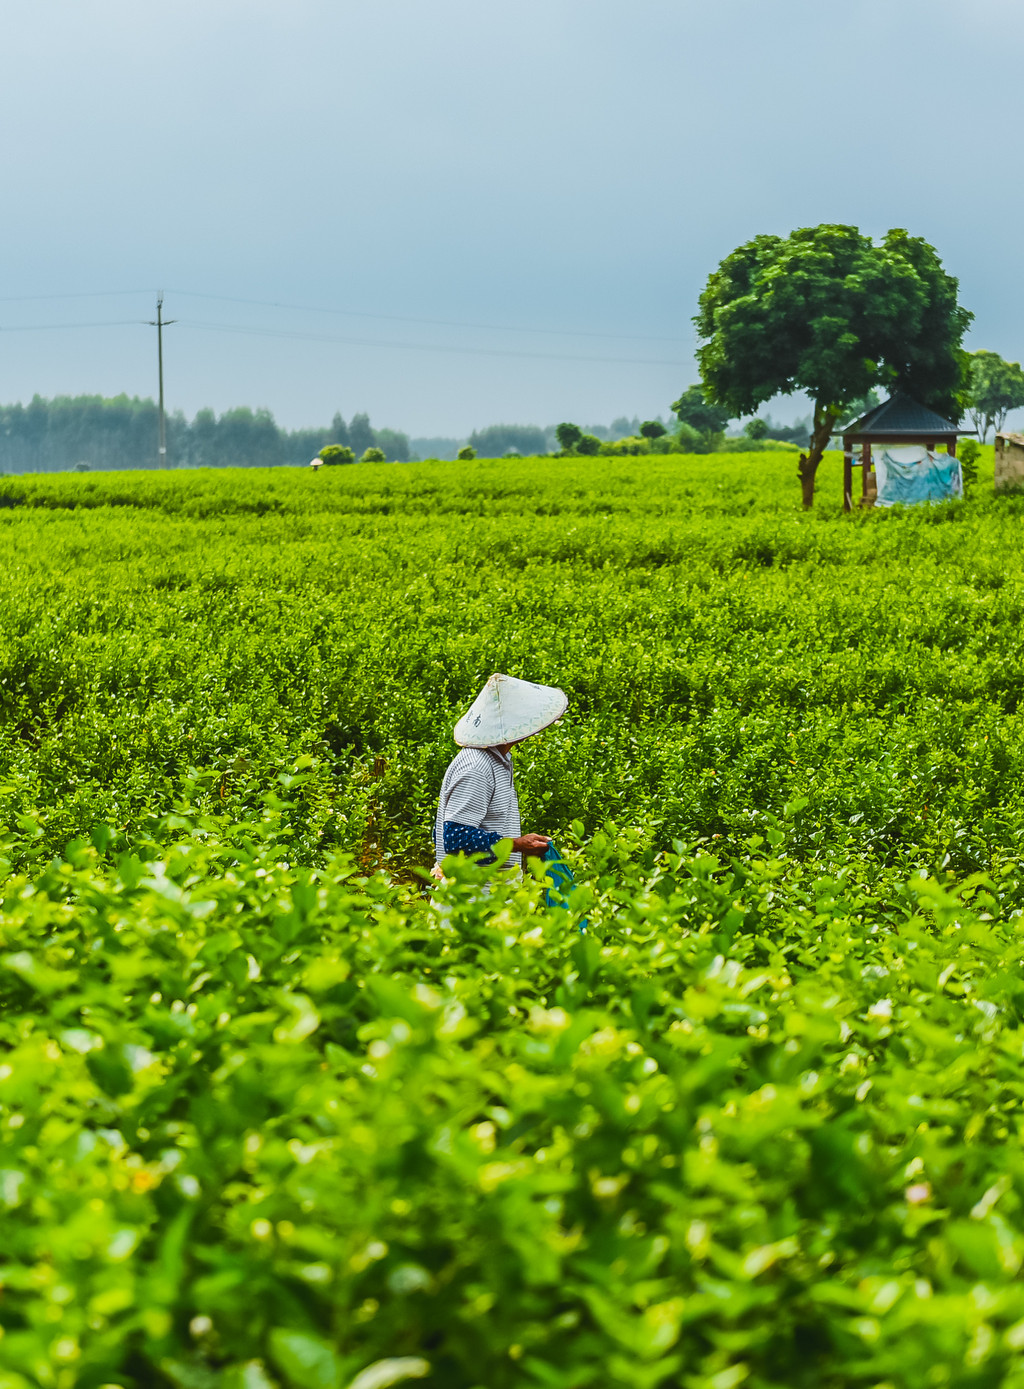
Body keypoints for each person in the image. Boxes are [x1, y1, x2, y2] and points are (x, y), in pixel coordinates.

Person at [432, 673, 567, 878]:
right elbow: (455, 837)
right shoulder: (476, 767)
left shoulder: (497, 760)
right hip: (473, 894)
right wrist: (518, 845)